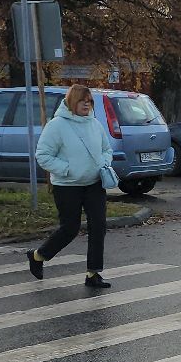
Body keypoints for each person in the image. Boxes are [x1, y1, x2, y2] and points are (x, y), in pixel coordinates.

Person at [28, 84, 114, 289]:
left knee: (99, 226)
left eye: (90, 101)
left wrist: (104, 163)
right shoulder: (57, 125)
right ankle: (38, 256)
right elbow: (43, 155)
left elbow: (106, 149)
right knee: (70, 228)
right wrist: (67, 169)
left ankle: (93, 274)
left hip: (94, 183)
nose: (87, 104)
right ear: (71, 102)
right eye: (82, 100)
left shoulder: (94, 124)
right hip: (67, 186)